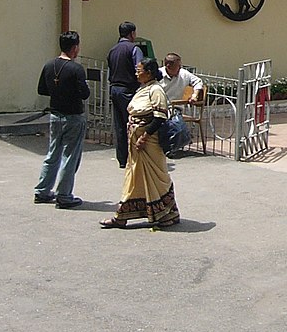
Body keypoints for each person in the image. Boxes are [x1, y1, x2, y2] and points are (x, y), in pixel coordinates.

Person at [100, 57, 181, 228]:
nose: (136, 73)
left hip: (148, 144)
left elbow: (160, 117)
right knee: (134, 178)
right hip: (136, 144)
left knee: (157, 178)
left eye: (139, 70)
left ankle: (168, 213)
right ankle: (122, 215)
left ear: (149, 73)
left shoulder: (156, 90)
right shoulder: (143, 88)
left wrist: (144, 136)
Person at [34, 30, 90, 207]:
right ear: (75, 48)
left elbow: (42, 89)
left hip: (55, 114)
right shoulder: (76, 69)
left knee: (53, 153)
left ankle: (42, 191)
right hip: (73, 116)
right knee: (70, 156)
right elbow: (85, 93)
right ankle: (64, 195)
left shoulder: (49, 65)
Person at [107, 21, 143, 169]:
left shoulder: (113, 50)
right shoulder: (134, 49)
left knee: (119, 125)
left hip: (114, 88)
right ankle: (134, 156)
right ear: (132, 34)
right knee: (133, 123)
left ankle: (122, 158)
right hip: (128, 90)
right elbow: (140, 70)